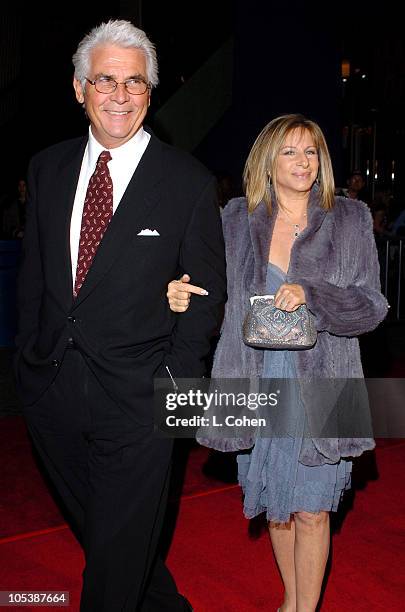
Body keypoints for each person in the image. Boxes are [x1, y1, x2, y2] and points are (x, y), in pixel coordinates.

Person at [15, 19, 226, 612]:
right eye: (105, 80)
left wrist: (175, 395)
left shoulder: (186, 182)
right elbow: (35, 275)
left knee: (110, 563)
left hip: (141, 398)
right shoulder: (46, 169)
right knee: (111, 537)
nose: (120, 95)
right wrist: (29, 364)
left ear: (150, 95)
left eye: (135, 83)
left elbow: (206, 298)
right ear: (79, 88)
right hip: (50, 389)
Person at [167, 114, 388, 612]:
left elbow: (372, 306)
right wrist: (179, 294)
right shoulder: (235, 220)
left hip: (328, 381)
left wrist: (312, 295)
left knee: (312, 510)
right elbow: (213, 297)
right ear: (267, 160)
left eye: (311, 152)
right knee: (278, 508)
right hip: (255, 378)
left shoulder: (349, 218)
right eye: (289, 151)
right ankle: (292, 600)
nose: (303, 162)